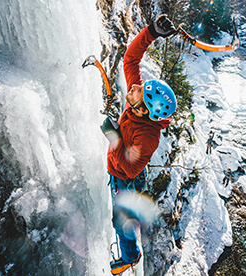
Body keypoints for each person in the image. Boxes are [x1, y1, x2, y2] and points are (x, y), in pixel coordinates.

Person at [100, 14, 178, 275]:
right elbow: (131, 59)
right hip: (124, 166)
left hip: (125, 176)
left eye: (139, 91)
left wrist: (114, 137)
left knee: (120, 219)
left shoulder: (147, 136)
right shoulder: (138, 104)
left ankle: (130, 257)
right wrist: (152, 32)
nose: (133, 87)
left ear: (145, 111)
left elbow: (131, 170)